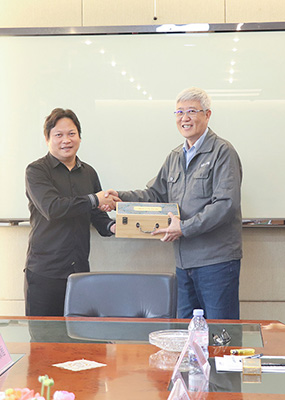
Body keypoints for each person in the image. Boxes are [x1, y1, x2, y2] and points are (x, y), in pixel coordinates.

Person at [107, 87, 243, 319]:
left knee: (220, 331)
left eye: (192, 111)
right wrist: (121, 198)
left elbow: (226, 205)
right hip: (183, 263)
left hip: (216, 262)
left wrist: (184, 228)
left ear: (207, 115)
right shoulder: (175, 156)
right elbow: (155, 195)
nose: (184, 118)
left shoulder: (222, 152)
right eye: (179, 112)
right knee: (186, 331)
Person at [24, 108, 119, 316]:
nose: (66, 140)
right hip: (45, 273)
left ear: (79, 137)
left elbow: (97, 214)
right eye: (58, 135)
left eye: (71, 134)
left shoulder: (89, 172)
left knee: (79, 333)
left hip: (79, 272)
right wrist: (95, 199)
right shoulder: (36, 171)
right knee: (43, 335)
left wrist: (113, 226)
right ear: (47, 139)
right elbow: (52, 208)